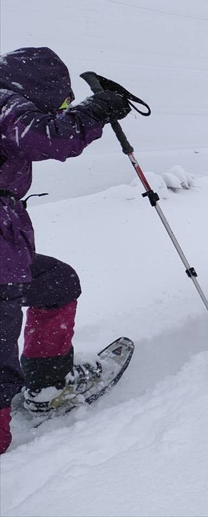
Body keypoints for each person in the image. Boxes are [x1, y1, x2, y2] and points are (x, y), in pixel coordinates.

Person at [0, 47, 131, 454]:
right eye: (59, 102)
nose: (61, 109)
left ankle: (47, 387)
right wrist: (93, 112)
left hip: (7, 247)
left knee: (57, 282)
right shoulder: (6, 101)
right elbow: (48, 136)